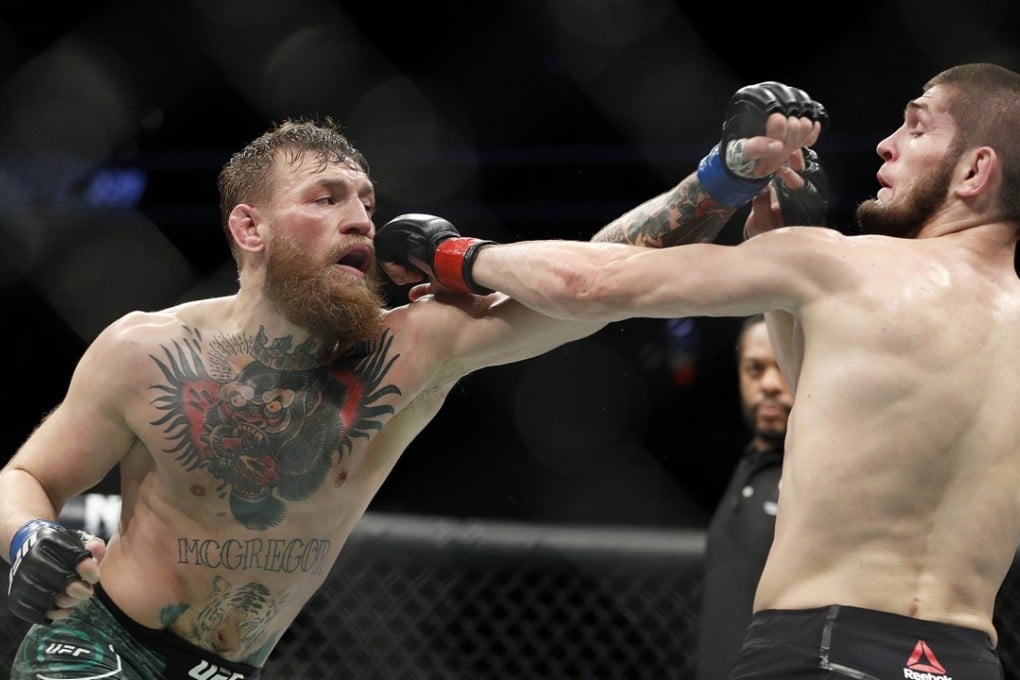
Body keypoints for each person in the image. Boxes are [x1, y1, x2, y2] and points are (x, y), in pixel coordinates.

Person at [0, 81, 825, 678]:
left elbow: (595, 282)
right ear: (247, 227)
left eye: (364, 199)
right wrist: (26, 540)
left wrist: (719, 177)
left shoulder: (410, 349)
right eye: (324, 198)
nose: (359, 216)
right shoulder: (145, 351)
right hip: (101, 646)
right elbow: (28, 475)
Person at [378, 62, 1020, 678]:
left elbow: (587, 283)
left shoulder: (844, 264)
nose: (885, 144)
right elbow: (845, 430)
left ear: (974, 170)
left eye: (916, 125)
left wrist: (453, 253)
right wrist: (782, 286)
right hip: (964, 661)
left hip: (821, 648)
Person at [695, 314, 793, 680]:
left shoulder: (822, 478)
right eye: (755, 369)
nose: (768, 384)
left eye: (783, 367)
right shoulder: (748, 463)